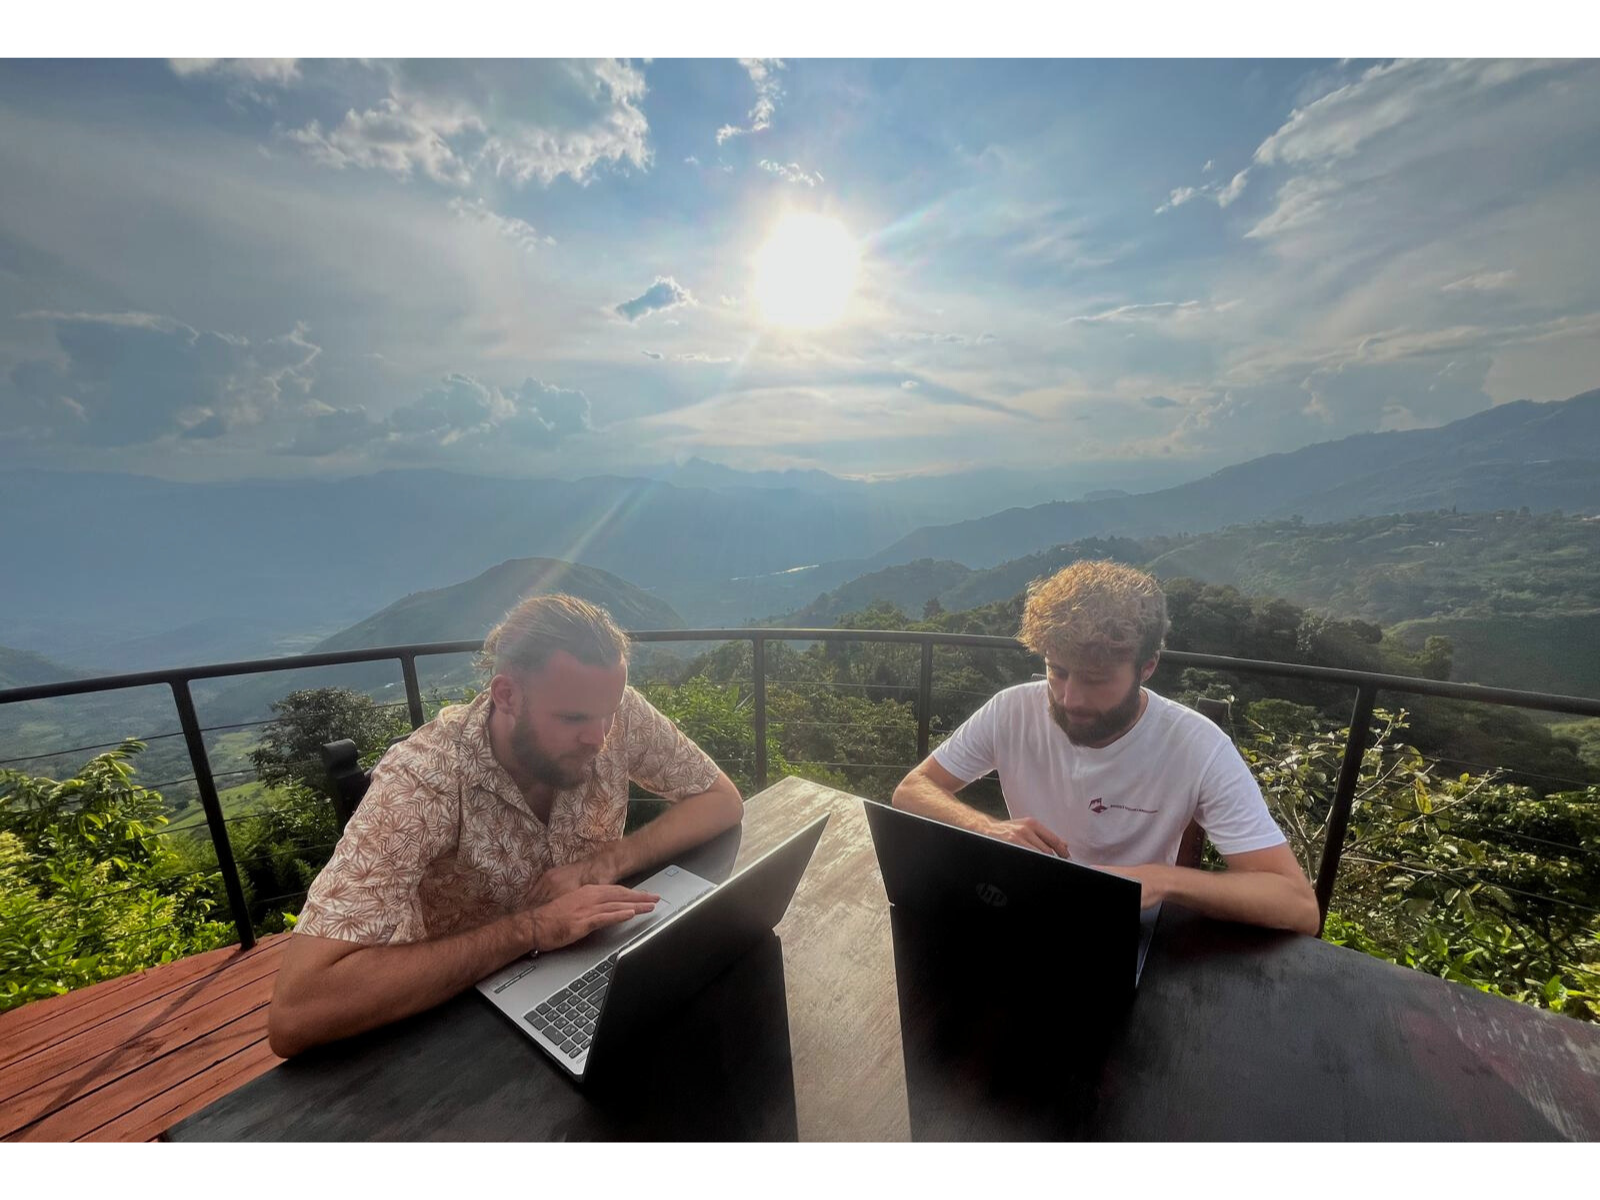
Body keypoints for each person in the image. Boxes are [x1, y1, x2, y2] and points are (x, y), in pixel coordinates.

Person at [267, 594, 744, 1057]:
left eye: (609, 713)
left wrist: (609, 861)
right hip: (456, 1019)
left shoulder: (609, 712)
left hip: (592, 967)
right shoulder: (423, 780)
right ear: (507, 695)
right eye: (573, 718)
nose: (599, 738)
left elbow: (721, 800)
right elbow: (296, 1012)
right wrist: (531, 929)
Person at [892, 561, 1320, 935]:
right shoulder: (1012, 709)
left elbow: (1296, 905)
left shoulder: (1197, 747)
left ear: (1147, 665)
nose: (1069, 699)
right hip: (1021, 909)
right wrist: (989, 829)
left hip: (1126, 929)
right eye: (1056, 672)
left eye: (1096, 680)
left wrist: (1158, 881)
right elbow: (912, 790)